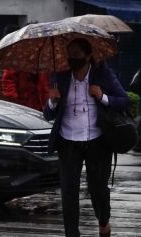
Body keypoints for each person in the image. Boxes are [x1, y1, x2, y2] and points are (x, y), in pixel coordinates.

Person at [43, 38, 129, 237]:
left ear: (88, 55)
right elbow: (48, 114)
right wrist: (52, 101)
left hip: (97, 140)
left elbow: (124, 101)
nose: (72, 58)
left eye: (76, 54)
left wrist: (102, 97)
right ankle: (72, 234)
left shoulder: (103, 74)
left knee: (97, 187)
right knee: (68, 190)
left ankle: (103, 220)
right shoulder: (61, 77)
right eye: (69, 54)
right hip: (68, 141)